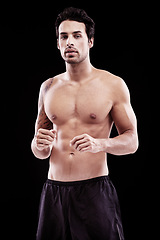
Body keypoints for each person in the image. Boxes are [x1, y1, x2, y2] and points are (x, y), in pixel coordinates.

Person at [31, 7, 138, 240]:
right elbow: (39, 149)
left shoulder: (113, 84)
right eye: (64, 36)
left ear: (90, 41)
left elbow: (132, 141)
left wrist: (100, 144)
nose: (69, 42)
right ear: (58, 43)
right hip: (53, 191)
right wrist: (39, 145)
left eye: (77, 35)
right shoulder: (48, 87)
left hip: (94, 191)